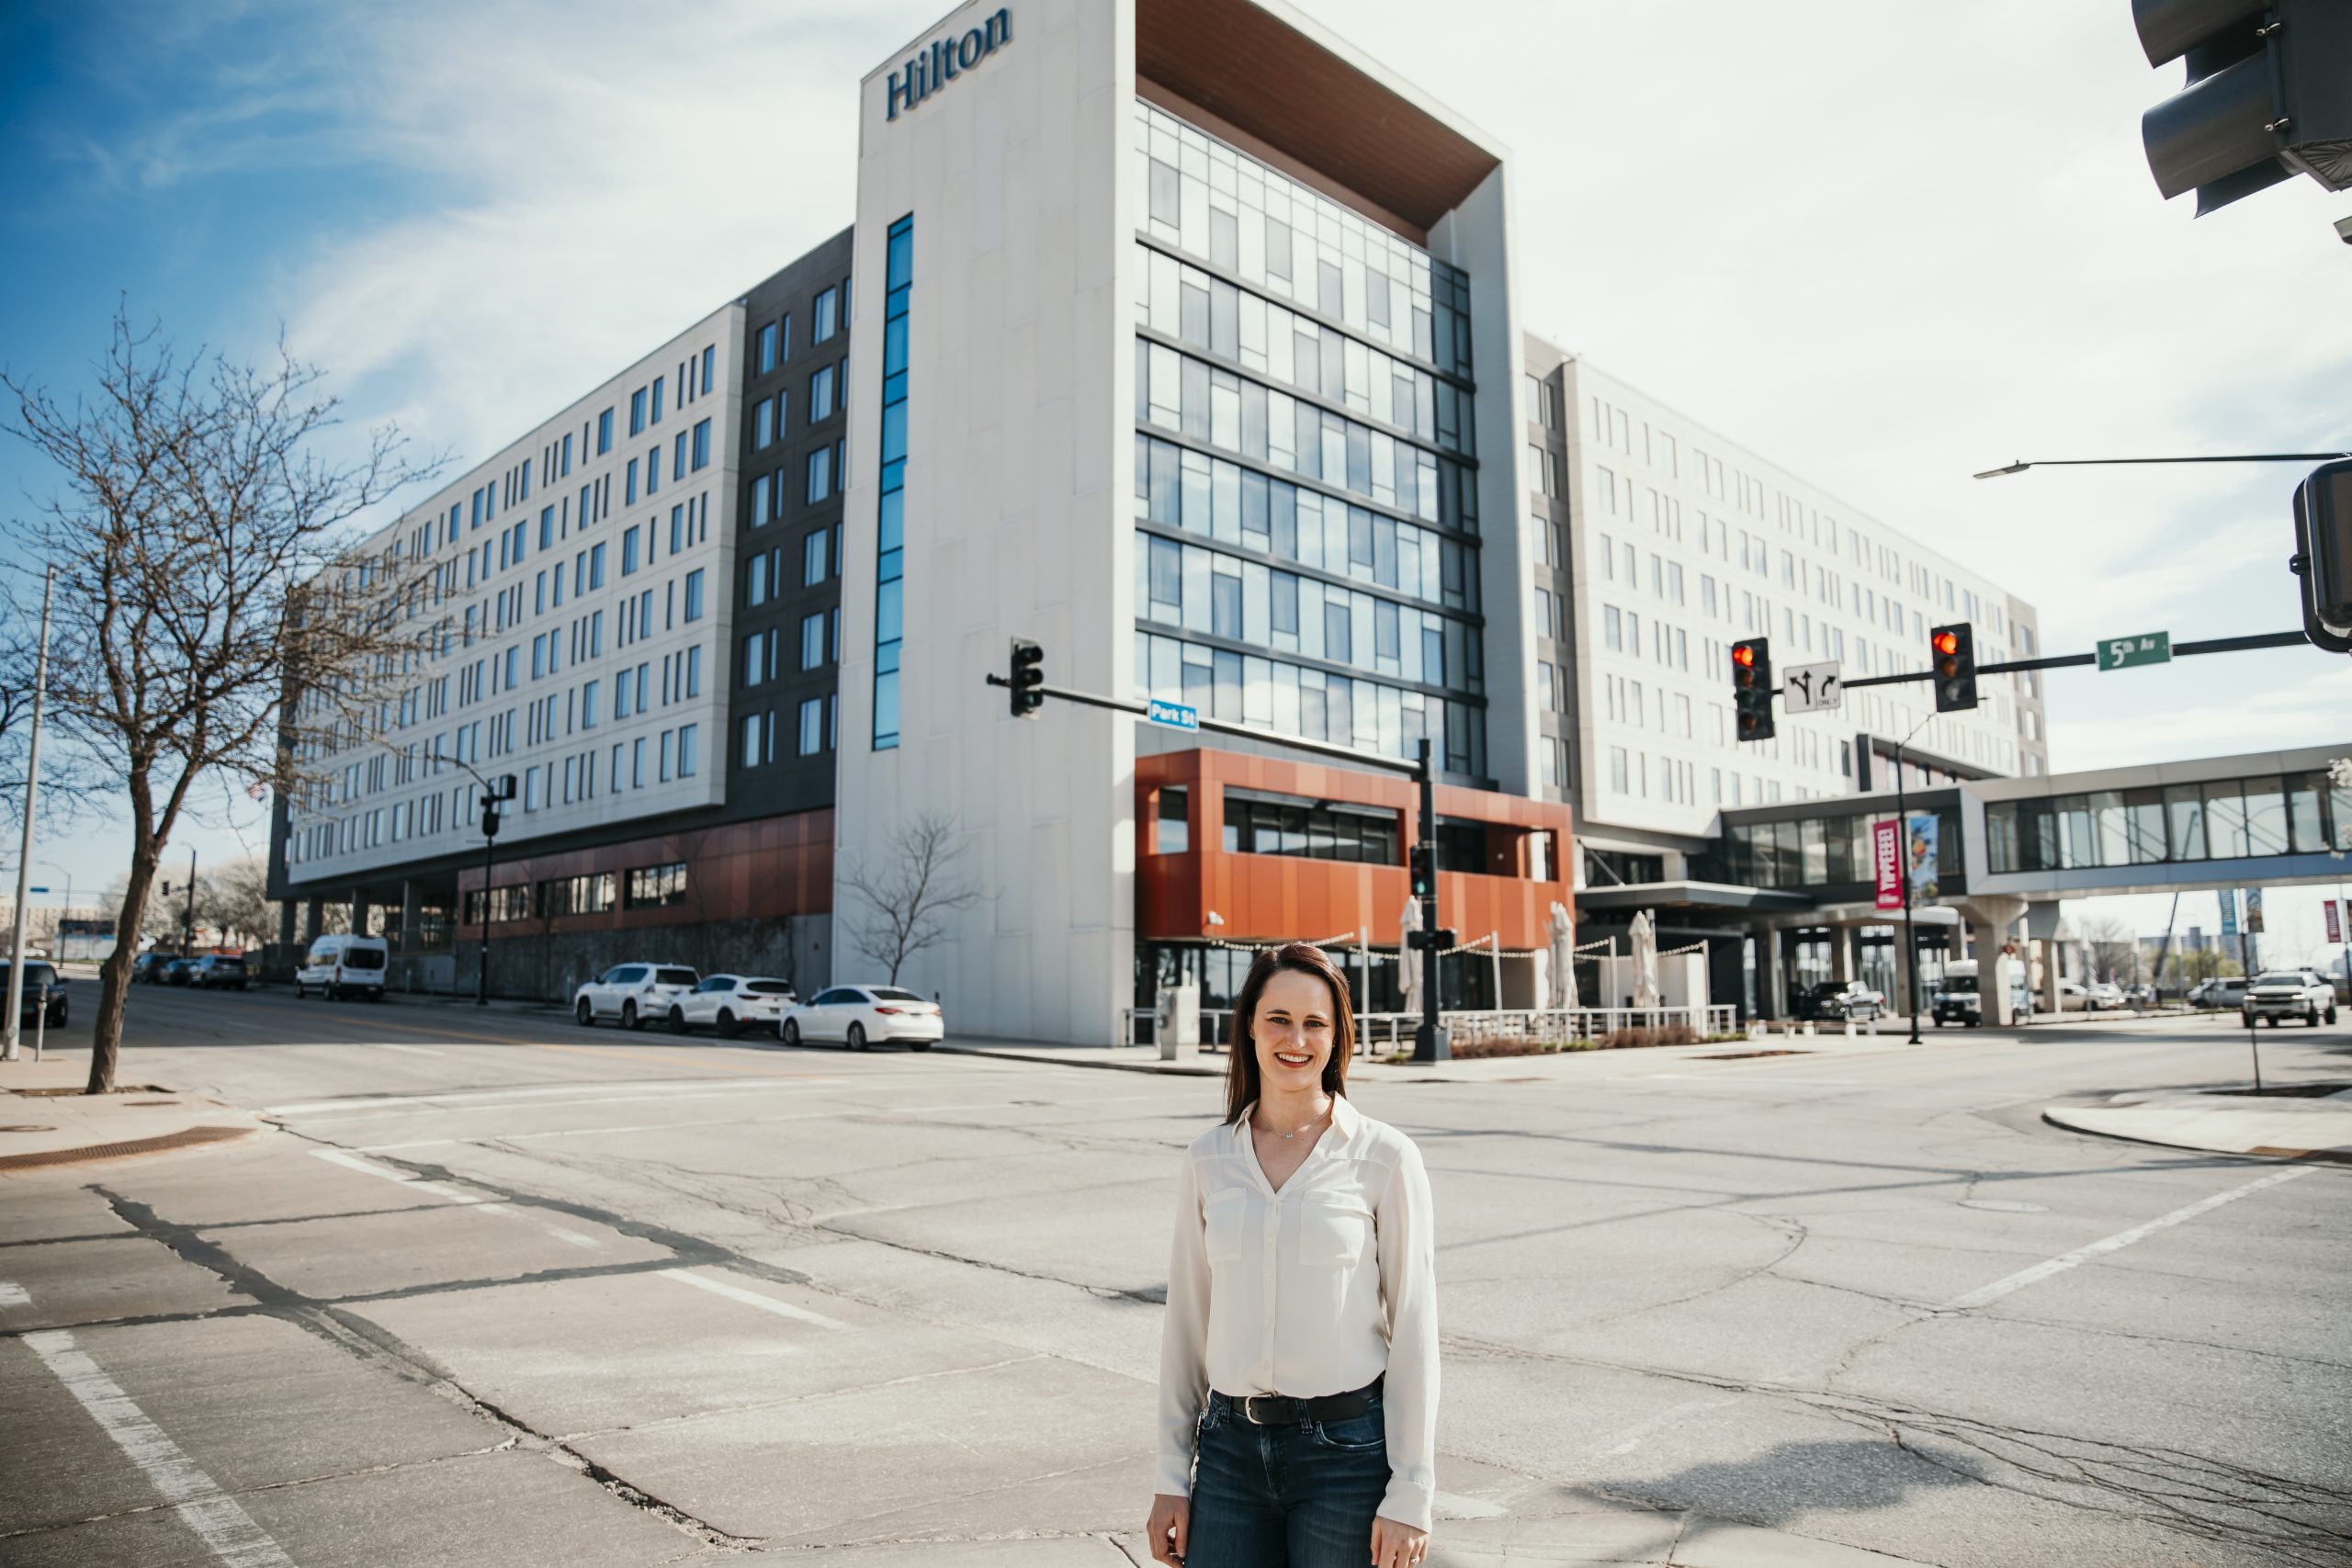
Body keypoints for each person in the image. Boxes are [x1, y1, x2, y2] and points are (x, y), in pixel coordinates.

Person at [1148, 942, 1439, 1568]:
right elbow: (1186, 1327)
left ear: (1337, 1036)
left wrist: (1411, 1489)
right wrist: (1171, 1475)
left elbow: (1415, 1328)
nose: (1296, 1038)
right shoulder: (1207, 1160)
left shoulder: (1385, 1157)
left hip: (1347, 1456)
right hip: (1227, 1453)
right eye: (1278, 1018)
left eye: (1315, 1022)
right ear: (1250, 1025)